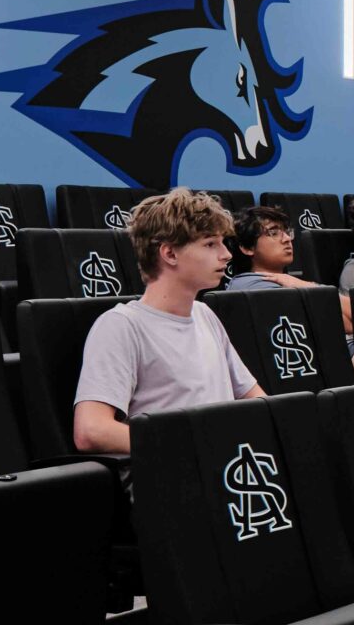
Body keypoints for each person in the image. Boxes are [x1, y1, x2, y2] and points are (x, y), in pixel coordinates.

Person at [72, 188, 265, 482]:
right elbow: (90, 430)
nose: (226, 255)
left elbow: (255, 399)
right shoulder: (121, 325)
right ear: (170, 253)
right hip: (165, 475)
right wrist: (193, 443)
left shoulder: (205, 315)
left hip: (223, 468)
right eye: (210, 244)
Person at [224, 204, 311, 292]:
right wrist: (308, 285)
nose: (287, 239)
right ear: (248, 248)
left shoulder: (287, 282)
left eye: (287, 232)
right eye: (273, 233)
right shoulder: (250, 285)